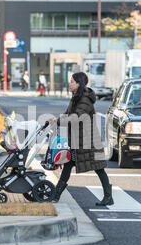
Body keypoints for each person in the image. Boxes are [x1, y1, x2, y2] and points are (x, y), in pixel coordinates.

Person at [47, 72, 113, 206]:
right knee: (68, 165)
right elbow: (68, 114)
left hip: (88, 140)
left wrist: (59, 121)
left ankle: (108, 197)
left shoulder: (85, 99)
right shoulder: (76, 97)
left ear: (78, 83)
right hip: (79, 140)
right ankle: (56, 195)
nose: (69, 84)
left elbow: (76, 117)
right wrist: (55, 119)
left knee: (99, 168)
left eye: (72, 81)